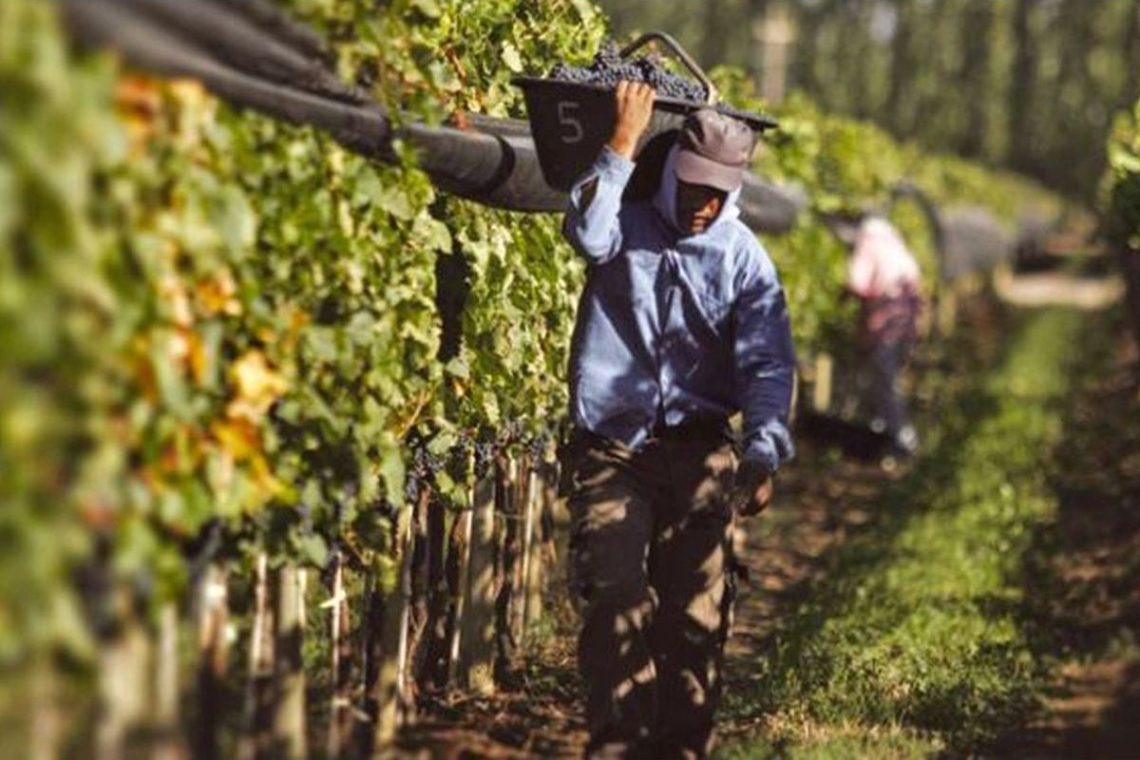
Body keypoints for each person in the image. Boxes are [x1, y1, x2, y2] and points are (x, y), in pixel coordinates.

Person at [559, 80, 796, 759]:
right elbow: (584, 230)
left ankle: (681, 748)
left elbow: (768, 363)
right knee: (614, 593)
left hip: (699, 454)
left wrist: (763, 451)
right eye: (693, 188)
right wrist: (622, 142)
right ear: (670, 173)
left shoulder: (744, 258)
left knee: (694, 619)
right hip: (614, 448)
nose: (704, 206)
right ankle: (619, 744)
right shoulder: (625, 220)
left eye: (718, 194)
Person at [839, 211, 923, 465]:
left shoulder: (868, 241)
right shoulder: (894, 241)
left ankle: (902, 440)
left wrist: (842, 298)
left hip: (885, 326)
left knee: (884, 385)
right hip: (905, 325)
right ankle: (883, 440)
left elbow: (858, 282)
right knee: (885, 383)